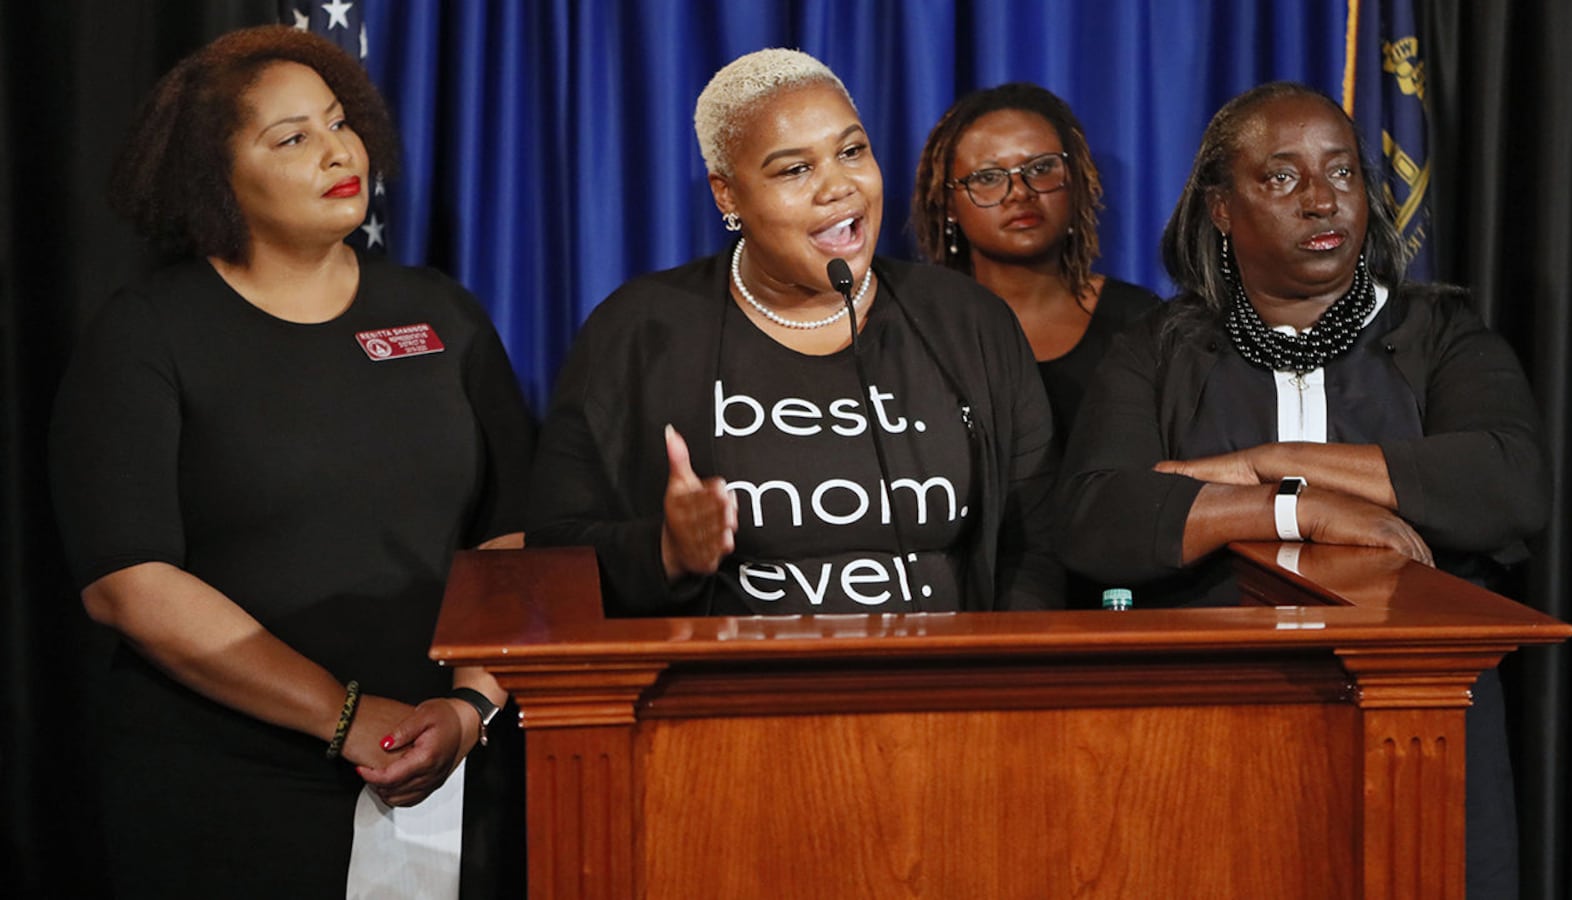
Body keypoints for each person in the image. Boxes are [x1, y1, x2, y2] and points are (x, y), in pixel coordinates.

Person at [48, 26, 533, 898]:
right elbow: (127, 581)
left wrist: (470, 706)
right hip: (229, 788)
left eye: (339, 121)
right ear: (214, 176)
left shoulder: (441, 314)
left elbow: (513, 533)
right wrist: (343, 717)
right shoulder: (148, 334)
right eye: (292, 138)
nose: (337, 150)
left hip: (447, 766)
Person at [1059, 81, 1547, 898]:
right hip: (1213, 729)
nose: (1323, 200)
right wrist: (1293, 506)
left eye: (1343, 173)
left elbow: (1508, 482)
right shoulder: (1160, 349)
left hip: (1419, 728)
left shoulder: (1439, 334)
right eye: (1281, 178)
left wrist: (1269, 459)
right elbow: (1095, 517)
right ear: (1221, 208)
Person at [526, 49, 1062, 616]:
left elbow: (1037, 542)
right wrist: (665, 551)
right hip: (716, 697)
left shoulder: (967, 321)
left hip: (943, 695)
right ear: (726, 194)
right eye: (795, 169)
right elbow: (552, 546)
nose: (838, 187)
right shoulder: (640, 329)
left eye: (852, 151)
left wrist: (1001, 682)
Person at [912, 82, 1160, 453]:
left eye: (1041, 168)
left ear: (1074, 181)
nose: (1020, 192)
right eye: (988, 177)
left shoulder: (1143, 323)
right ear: (948, 204)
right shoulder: (915, 329)